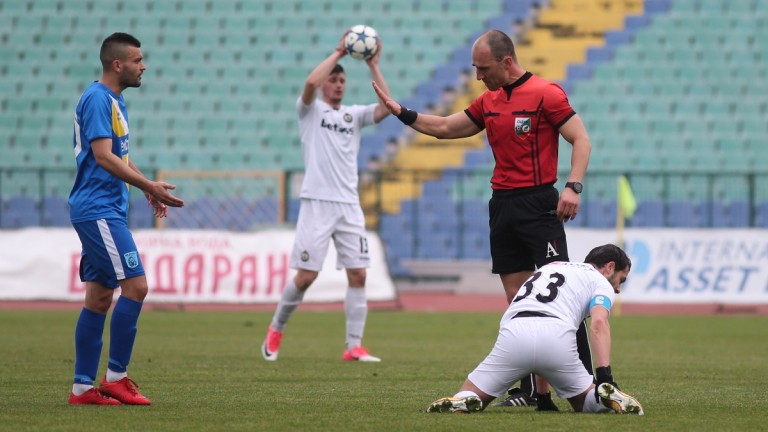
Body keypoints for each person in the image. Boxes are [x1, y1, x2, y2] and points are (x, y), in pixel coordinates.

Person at [373, 29, 593, 407]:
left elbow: (581, 139)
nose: (478, 76)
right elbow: (443, 128)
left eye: (483, 68)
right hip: (502, 206)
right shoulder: (489, 101)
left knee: (561, 299)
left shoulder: (546, 93)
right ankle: (533, 395)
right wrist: (401, 112)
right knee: (517, 302)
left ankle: (591, 384)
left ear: (506, 62)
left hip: (540, 205)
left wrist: (573, 186)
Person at [67, 32, 184, 405]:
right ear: (118, 64)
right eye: (137, 60)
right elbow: (103, 156)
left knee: (100, 297)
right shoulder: (99, 99)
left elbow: (118, 154)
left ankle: (82, 389)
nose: (143, 66)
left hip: (106, 208)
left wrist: (147, 187)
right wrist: (149, 183)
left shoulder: (114, 100)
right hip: (98, 209)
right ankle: (116, 377)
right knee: (136, 287)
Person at [261, 31, 392, 362]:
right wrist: (338, 53)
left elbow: (387, 108)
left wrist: (374, 67)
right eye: (332, 80)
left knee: (359, 274)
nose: (337, 84)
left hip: (349, 205)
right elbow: (308, 83)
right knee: (306, 277)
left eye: (341, 80)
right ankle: (276, 329)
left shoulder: (354, 115)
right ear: (324, 84)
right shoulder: (311, 112)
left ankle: (353, 346)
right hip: (317, 204)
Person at [426, 244, 643, 415]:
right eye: (621, 280)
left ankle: (464, 400)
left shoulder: (550, 268)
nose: (618, 289)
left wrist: (543, 396)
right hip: (556, 339)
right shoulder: (599, 281)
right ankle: (604, 400)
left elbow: (538, 320)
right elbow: (598, 323)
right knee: (586, 402)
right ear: (609, 267)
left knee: (470, 394)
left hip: (514, 334)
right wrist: (605, 377)